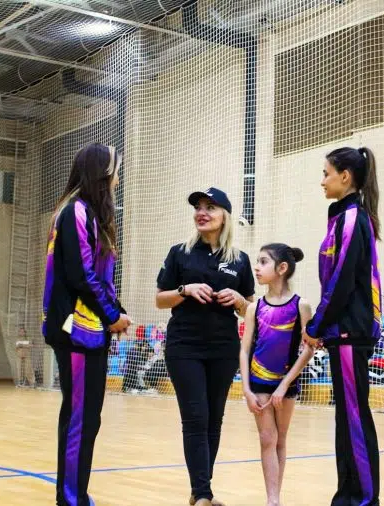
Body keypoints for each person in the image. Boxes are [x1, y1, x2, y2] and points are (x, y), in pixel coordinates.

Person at [42, 143, 132, 506]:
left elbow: (98, 277)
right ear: (102, 173)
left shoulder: (92, 216)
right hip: (76, 331)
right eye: (116, 171)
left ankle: (76, 494)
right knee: (79, 417)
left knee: (88, 418)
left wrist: (116, 311)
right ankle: (70, 498)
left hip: (91, 332)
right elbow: (81, 275)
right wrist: (112, 316)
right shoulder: (75, 212)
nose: (118, 179)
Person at [155, 187, 255, 506]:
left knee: (214, 420)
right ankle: (202, 494)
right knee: (196, 417)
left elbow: (251, 309)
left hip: (223, 348)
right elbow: (160, 299)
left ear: (224, 216)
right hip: (184, 346)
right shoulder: (179, 253)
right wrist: (184, 290)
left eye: (210, 207)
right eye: (198, 207)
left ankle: (201, 490)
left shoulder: (240, 260)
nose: (202, 212)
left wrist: (239, 300)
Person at [302, 146, 382, 506]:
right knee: (346, 420)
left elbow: (341, 282)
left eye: (326, 173)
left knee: (354, 418)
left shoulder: (352, 218)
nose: (322, 181)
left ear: (345, 177)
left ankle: (364, 499)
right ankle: (347, 496)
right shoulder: (342, 217)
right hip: (342, 333)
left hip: (350, 332)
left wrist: (316, 325)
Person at [239, 243, 314, 506]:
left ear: (282, 268)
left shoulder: (301, 305)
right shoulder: (254, 307)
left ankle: (275, 498)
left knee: (280, 439)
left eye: (263, 262)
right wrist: (246, 389)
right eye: (257, 262)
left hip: (286, 384)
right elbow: (245, 349)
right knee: (266, 438)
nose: (256, 268)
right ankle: (272, 500)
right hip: (259, 381)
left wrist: (284, 385)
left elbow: (308, 349)